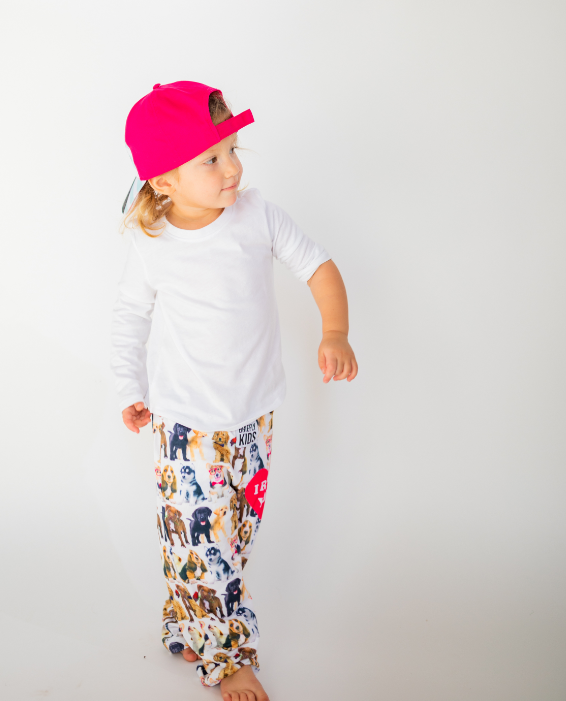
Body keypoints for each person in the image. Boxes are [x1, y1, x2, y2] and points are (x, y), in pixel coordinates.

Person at [110, 81, 358, 701]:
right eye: (212, 159)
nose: (233, 168)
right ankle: (228, 658)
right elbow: (129, 318)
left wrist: (335, 331)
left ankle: (188, 621)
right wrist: (128, 386)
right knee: (201, 541)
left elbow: (318, 266)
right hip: (185, 422)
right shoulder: (152, 244)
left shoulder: (258, 215)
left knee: (233, 539)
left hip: (254, 417)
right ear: (164, 180)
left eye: (233, 150)